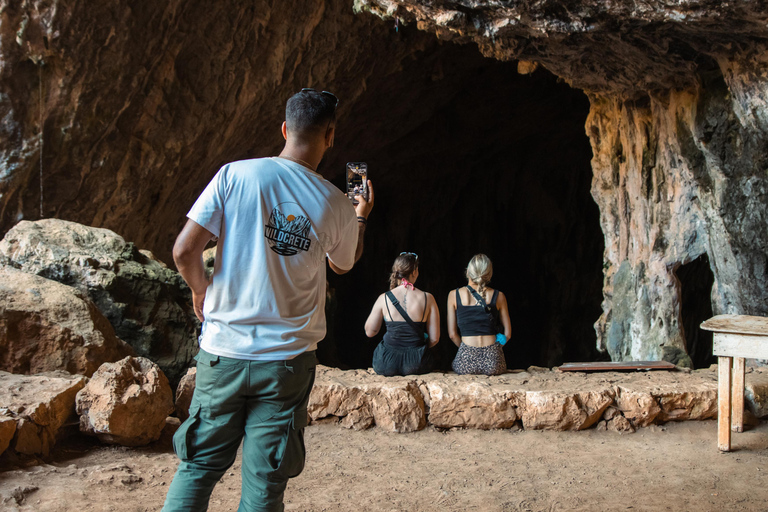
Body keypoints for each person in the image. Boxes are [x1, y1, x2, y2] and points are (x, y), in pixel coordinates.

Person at [162, 88, 374, 512]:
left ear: (283, 129)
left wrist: (202, 290)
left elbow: (184, 251)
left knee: (197, 468)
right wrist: (360, 215)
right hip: (286, 363)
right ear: (329, 136)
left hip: (222, 354)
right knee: (264, 486)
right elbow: (343, 265)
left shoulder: (233, 175)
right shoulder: (335, 202)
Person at [364, 252, 439, 376]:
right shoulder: (428, 298)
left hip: (386, 362)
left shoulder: (384, 298)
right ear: (414, 272)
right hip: (417, 362)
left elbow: (370, 332)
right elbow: (435, 338)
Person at [447, 254, 511, 375]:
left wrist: (466, 350)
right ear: (489, 274)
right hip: (493, 362)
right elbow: (508, 333)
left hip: (466, 362)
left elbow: (452, 334)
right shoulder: (499, 296)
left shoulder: (453, 295)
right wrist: (495, 349)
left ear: (468, 272)